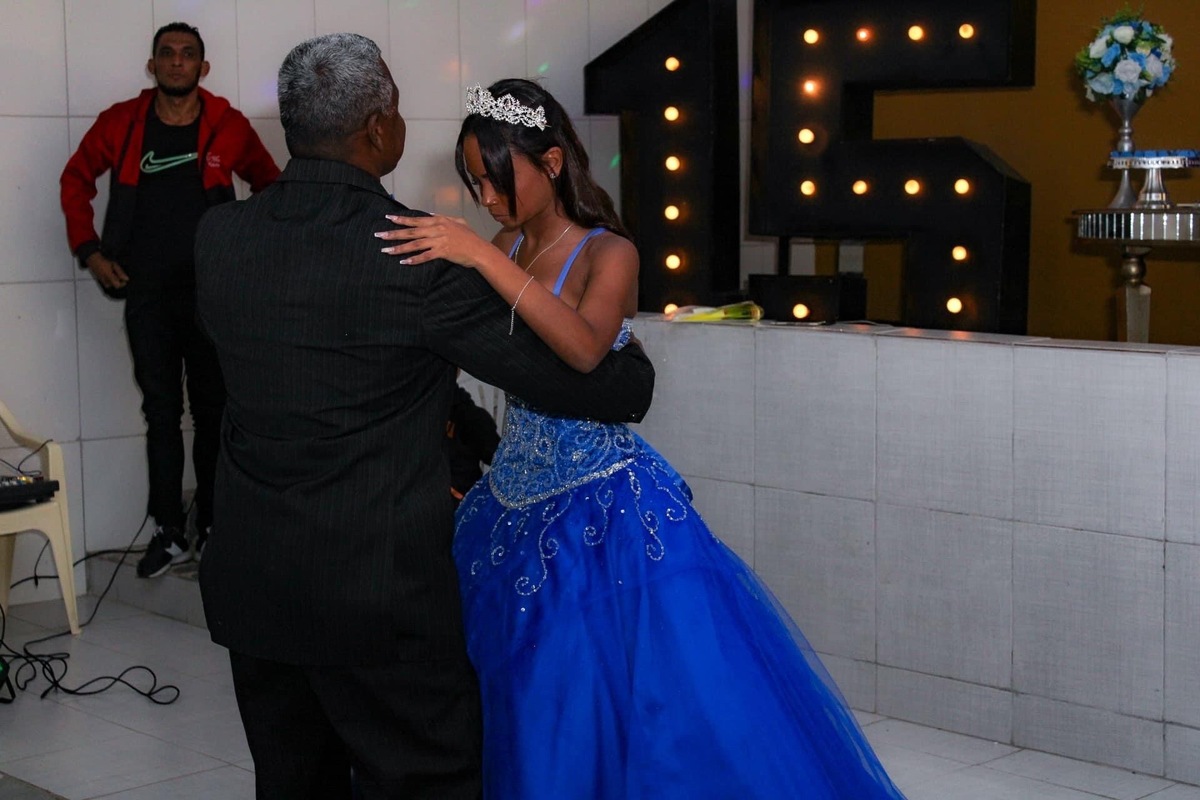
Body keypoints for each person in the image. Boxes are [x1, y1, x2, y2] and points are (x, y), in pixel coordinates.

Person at [377, 78, 909, 799]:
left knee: (632, 694)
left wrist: (481, 258)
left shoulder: (609, 252)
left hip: (601, 503)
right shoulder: (504, 244)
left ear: (553, 162)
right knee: (522, 688)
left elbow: (585, 350)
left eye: (498, 180)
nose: (488, 200)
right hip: (508, 496)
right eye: (476, 184)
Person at [192, 36, 655, 800]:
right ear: (379, 128)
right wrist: (630, 366)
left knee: (292, 781)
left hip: (255, 576)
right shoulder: (414, 253)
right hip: (376, 590)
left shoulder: (219, 237)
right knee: (424, 778)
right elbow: (599, 388)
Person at [59, 22, 280, 578]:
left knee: (214, 411)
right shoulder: (122, 122)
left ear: (203, 68)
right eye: (167, 53)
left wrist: (249, 253)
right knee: (160, 411)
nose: (177, 62)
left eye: (187, 55)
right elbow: (76, 178)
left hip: (212, 295)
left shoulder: (228, 125)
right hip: (147, 293)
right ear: (152, 65)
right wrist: (89, 251)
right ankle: (168, 531)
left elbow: (270, 185)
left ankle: (214, 527)